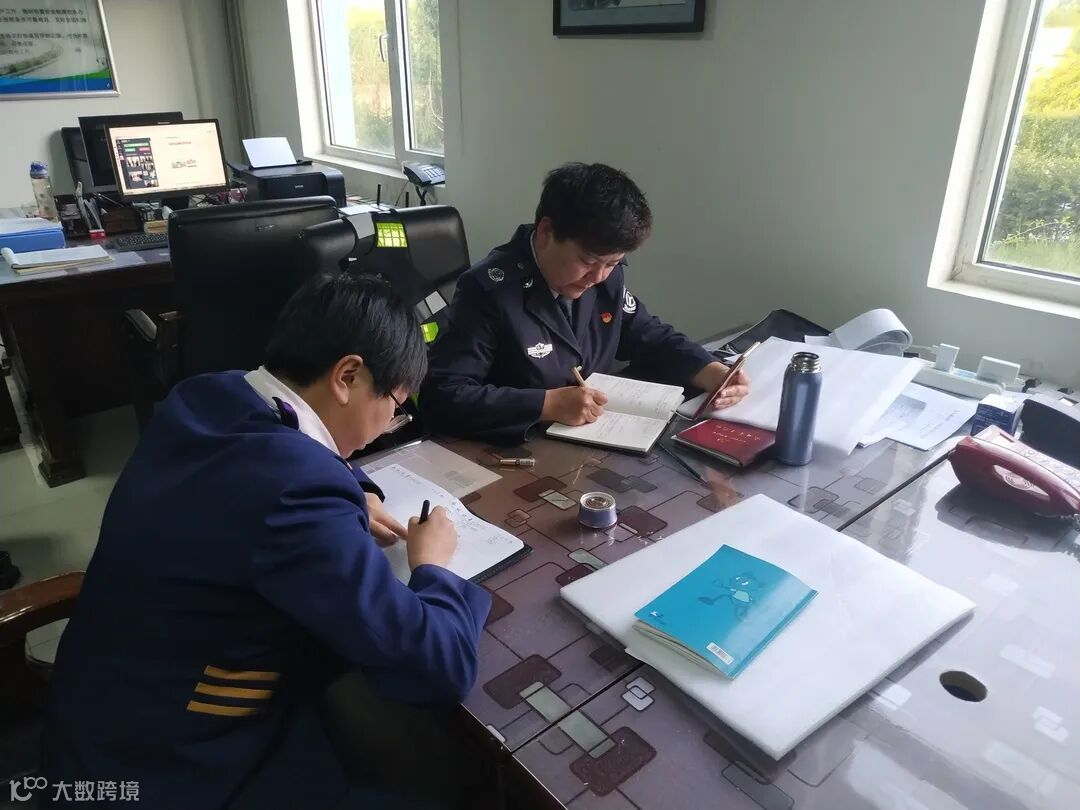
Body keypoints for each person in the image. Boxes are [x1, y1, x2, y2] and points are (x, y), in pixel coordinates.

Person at [42, 274, 492, 809]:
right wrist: (433, 567)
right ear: (347, 375)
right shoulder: (297, 491)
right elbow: (438, 669)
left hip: (103, 709)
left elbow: (295, 444)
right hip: (178, 765)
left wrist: (359, 490)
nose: (393, 419)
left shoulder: (208, 394)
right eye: (397, 403)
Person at [420, 162, 750, 443]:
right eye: (588, 261)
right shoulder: (489, 291)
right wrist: (545, 405)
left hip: (589, 444)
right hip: (512, 452)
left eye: (612, 263)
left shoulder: (606, 278)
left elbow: (648, 334)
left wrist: (711, 372)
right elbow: (443, 395)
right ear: (546, 232)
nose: (598, 277)